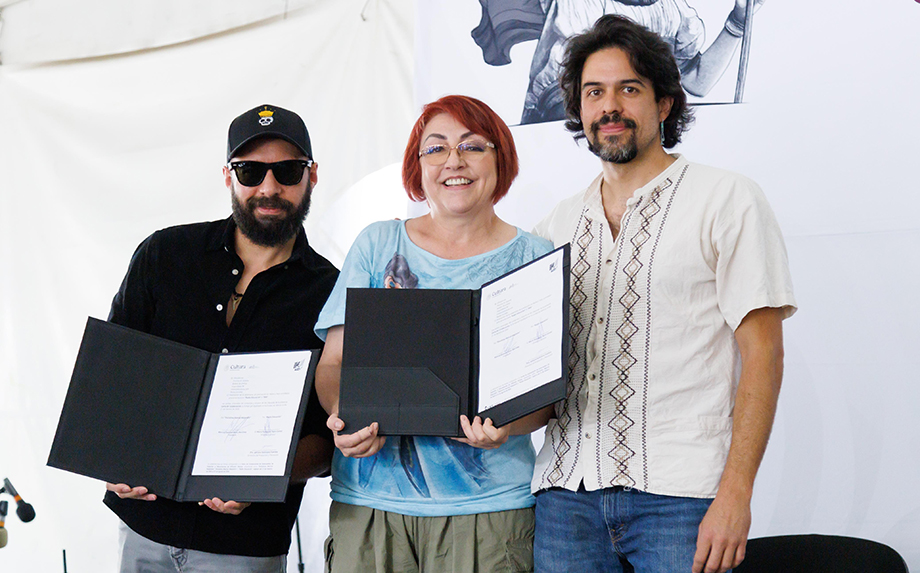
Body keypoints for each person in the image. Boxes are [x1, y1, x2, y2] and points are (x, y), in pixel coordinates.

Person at [530, 15, 796, 573]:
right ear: (578, 109)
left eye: (629, 89)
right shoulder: (554, 226)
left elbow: (763, 355)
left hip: (682, 498)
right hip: (564, 498)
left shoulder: (726, 199)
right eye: (594, 92)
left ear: (665, 104)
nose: (610, 107)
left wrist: (736, 494)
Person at [313, 94, 554, 572]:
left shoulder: (533, 257)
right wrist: (344, 414)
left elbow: (544, 401)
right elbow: (334, 362)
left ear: (500, 159)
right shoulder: (377, 244)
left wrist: (506, 426)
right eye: (436, 148)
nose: (454, 161)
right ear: (417, 166)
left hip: (489, 511)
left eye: (473, 146)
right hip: (371, 506)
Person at [104, 104, 339, 572]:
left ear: (312, 176)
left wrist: (261, 478)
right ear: (229, 176)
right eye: (250, 171)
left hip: (246, 546)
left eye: (287, 171)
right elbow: (112, 374)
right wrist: (112, 456)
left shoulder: (331, 291)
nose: (268, 188)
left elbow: (329, 441)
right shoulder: (164, 254)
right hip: (143, 527)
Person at [472, 0, 766, 123]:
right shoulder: (581, 6)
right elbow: (561, 101)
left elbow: (696, 81)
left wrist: (738, 22)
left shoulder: (674, 11)